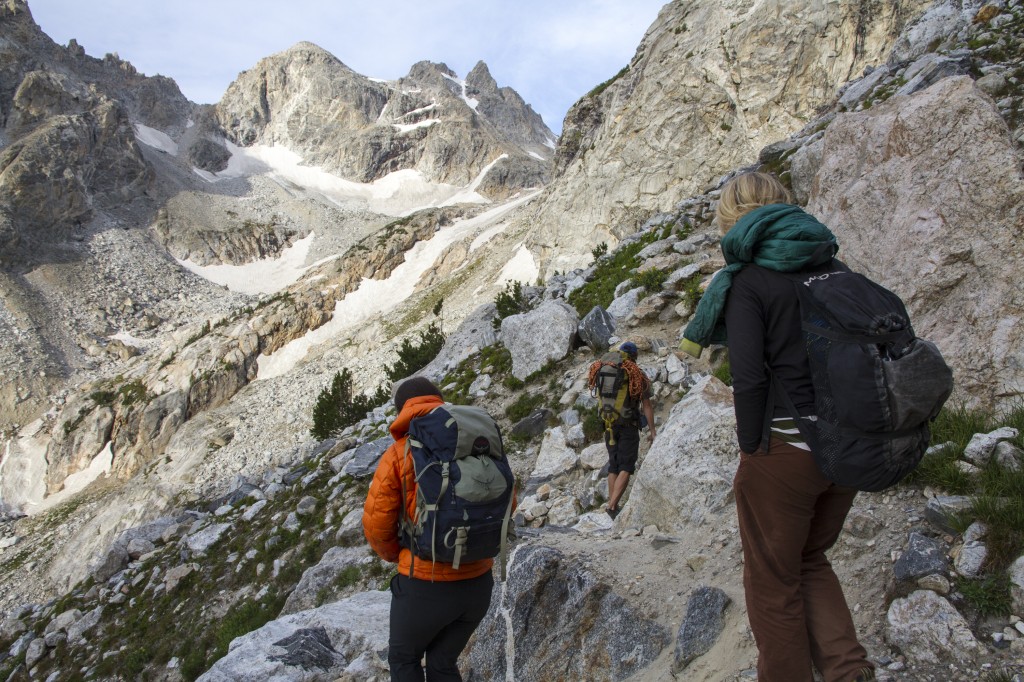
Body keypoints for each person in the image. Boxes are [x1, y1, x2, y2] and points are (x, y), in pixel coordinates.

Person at [681, 172, 875, 682]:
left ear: (730, 221)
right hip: (850, 446)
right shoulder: (833, 266)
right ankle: (848, 672)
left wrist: (753, 453)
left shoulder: (747, 282)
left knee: (773, 581)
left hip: (787, 451)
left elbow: (747, 379)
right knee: (809, 559)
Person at [362, 377, 501, 682]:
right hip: (479, 584)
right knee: (442, 660)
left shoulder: (399, 453)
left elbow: (376, 523)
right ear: (439, 402)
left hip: (425, 583)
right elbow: (506, 503)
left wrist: (395, 556)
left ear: (402, 411)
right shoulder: (476, 447)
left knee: (403, 658)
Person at [598, 341, 656, 519]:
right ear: (635, 357)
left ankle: (612, 506)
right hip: (628, 424)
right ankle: (612, 505)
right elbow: (646, 405)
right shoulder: (637, 374)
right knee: (626, 465)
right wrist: (652, 431)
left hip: (608, 423)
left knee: (613, 465)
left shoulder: (606, 370)